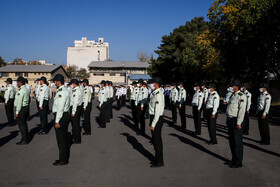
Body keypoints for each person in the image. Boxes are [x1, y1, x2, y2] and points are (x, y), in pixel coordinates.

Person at [226, 80, 246, 168]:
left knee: (237, 142)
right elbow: (229, 108)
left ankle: (238, 162)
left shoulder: (241, 96)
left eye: (232, 86)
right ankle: (234, 159)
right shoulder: (232, 95)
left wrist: (239, 123)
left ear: (236, 86)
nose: (230, 87)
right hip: (230, 120)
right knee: (232, 141)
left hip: (236, 121)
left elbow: (241, 110)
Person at [52, 74, 71, 166]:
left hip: (61, 116)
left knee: (61, 139)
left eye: (55, 81)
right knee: (62, 139)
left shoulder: (61, 92)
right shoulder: (62, 90)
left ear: (58, 81)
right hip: (64, 115)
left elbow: (60, 107)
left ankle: (63, 159)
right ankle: (63, 158)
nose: (54, 83)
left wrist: (57, 121)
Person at [149, 77, 165, 168]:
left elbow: (158, 112)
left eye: (153, 83)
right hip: (154, 118)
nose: (151, 85)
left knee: (157, 141)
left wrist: (153, 124)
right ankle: (157, 158)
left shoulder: (158, 94)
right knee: (155, 140)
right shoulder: (155, 93)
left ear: (156, 84)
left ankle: (159, 161)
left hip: (157, 119)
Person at [14, 76, 30, 145]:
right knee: (24, 124)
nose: (17, 83)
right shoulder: (26, 89)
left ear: (20, 83)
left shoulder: (21, 91)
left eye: (17, 82)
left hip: (21, 108)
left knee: (21, 125)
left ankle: (24, 139)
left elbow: (19, 102)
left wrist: (17, 112)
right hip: (25, 107)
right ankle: (26, 137)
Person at [69, 79, 83, 144]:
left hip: (75, 108)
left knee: (75, 125)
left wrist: (73, 112)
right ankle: (77, 138)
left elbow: (75, 102)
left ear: (74, 84)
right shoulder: (76, 90)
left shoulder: (76, 91)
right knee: (76, 124)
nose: (71, 85)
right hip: (77, 107)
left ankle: (77, 139)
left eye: (72, 84)